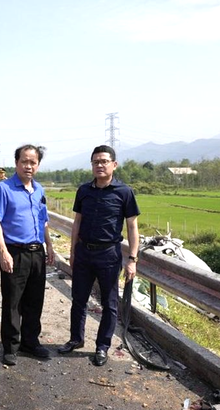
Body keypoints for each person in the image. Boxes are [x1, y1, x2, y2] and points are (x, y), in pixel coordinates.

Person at [58, 145, 140, 367]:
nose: (100, 165)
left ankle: (102, 347)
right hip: (84, 252)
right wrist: (73, 252)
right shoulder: (84, 190)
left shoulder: (124, 192)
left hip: (109, 255)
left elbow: (132, 227)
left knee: (110, 304)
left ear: (114, 164)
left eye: (104, 161)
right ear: (92, 165)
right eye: (96, 162)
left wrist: (132, 260)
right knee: (78, 300)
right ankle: (76, 339)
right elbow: (77, 223)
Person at [0, 145, 55, 366]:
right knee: (13, 302)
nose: (28, 166)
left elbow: (43, 221)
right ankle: (11, 346)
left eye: (33, 162)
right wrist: (3, 251)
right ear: (16, 163)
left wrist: (50, 247)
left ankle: (30, 341)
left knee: (35, 300)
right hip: (14, 252)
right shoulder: (3, 189)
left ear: (38, 165)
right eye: (24, 161)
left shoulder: (39, 190)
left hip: (37, 252)